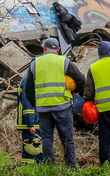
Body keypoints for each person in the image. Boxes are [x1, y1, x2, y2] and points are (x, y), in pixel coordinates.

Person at [25, 37, 85, 167]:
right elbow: (81, 79)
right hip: (62, 106)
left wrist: (36, 104)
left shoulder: (35, 63)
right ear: (58, 49)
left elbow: (28, 89)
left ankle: (50, 167)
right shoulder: (64, 61)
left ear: (44, 48)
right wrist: (76, 93)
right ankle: (71, 167)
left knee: (46, 139)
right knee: (67, 139)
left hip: (43, 108)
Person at [17, 71, 43, 164]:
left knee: (38, 151)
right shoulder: (28, 81)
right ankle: (29, 170)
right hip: (30, 123)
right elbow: (28, 105)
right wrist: (31, 124)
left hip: (34, 122)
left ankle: (38, 170)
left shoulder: (32, 80)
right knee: (30, 151)